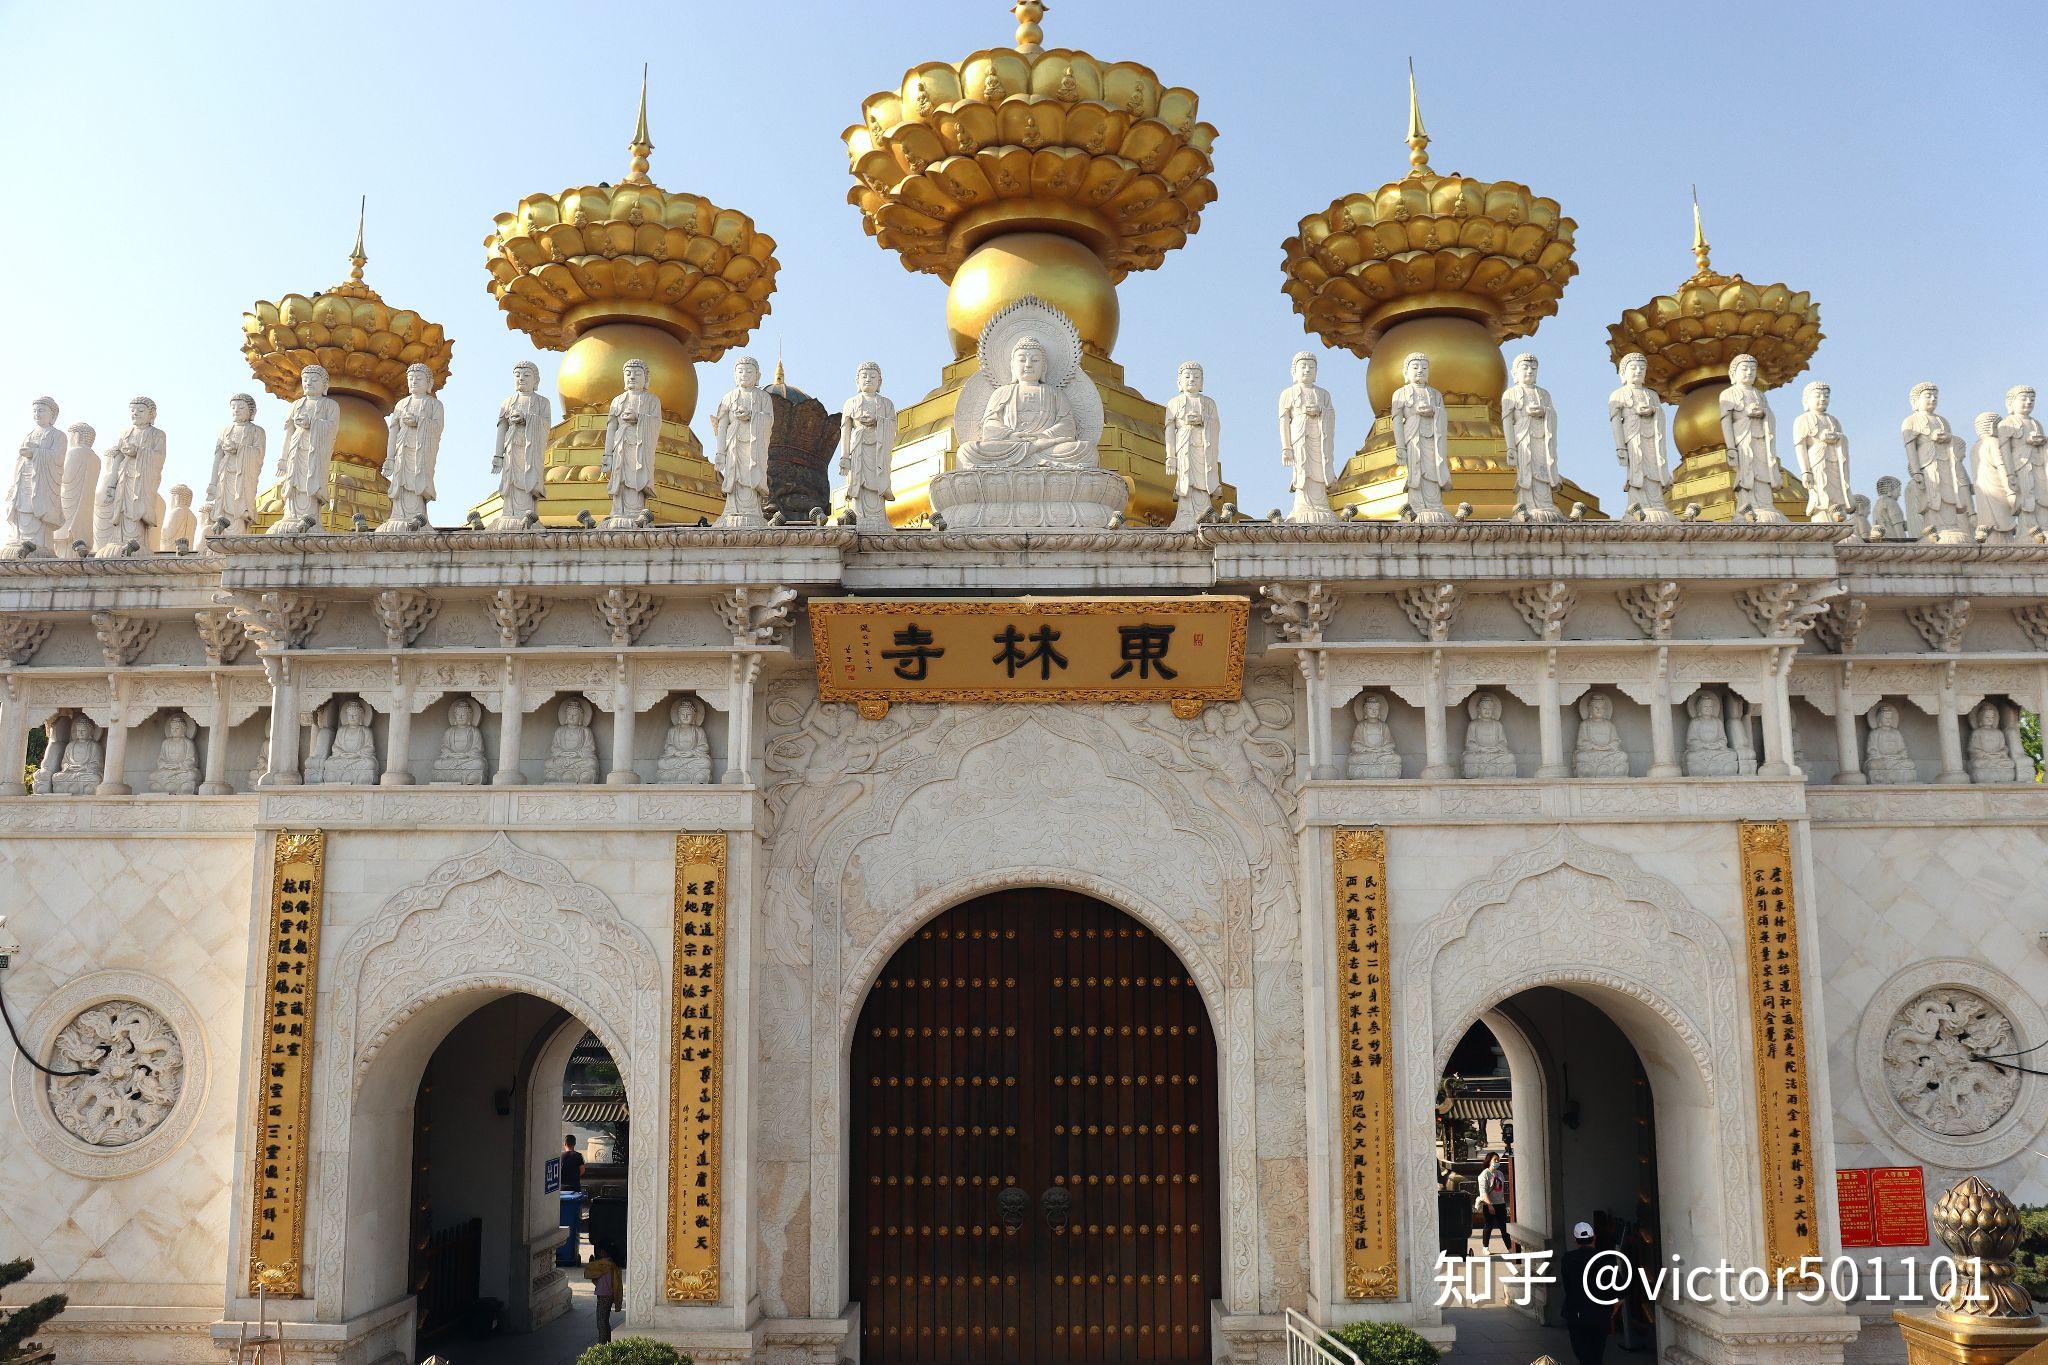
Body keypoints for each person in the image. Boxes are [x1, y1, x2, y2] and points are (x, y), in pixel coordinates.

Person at [1557, 1220, 1610, 1365]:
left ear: (1575, 1240)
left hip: (1576, 1313)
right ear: (1594, 1238)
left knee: (1583, 1354)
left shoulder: (1567, 1259)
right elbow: (1618, 1292)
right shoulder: (1605, 1259)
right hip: (1599, 1314)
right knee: (1597, 1353)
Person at [584, 1239, 623, 1344]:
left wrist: (591, 1262)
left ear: (603, 1252)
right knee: (605, 1321)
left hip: (603, 1295)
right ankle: (607, 1343)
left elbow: (588, 1272)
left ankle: (602, 1345)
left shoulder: (601, 1264)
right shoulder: (613, 1264)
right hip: (609, 1294)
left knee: (601, 1322)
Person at [1477, 1153, 1514, 1251]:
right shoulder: (1484, 1175)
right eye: (1495, 1160)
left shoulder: (1500, 1173)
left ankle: (1510, 1248)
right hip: (1489, 1205)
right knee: (1488, 1227)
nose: (1497, 1162)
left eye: (1498, 1160)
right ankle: (1485, 1247)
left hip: (1500, 1204)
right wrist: (1490, 1205)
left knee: (1504, 1228)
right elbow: (1483, 1192)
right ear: (1489, 1161)